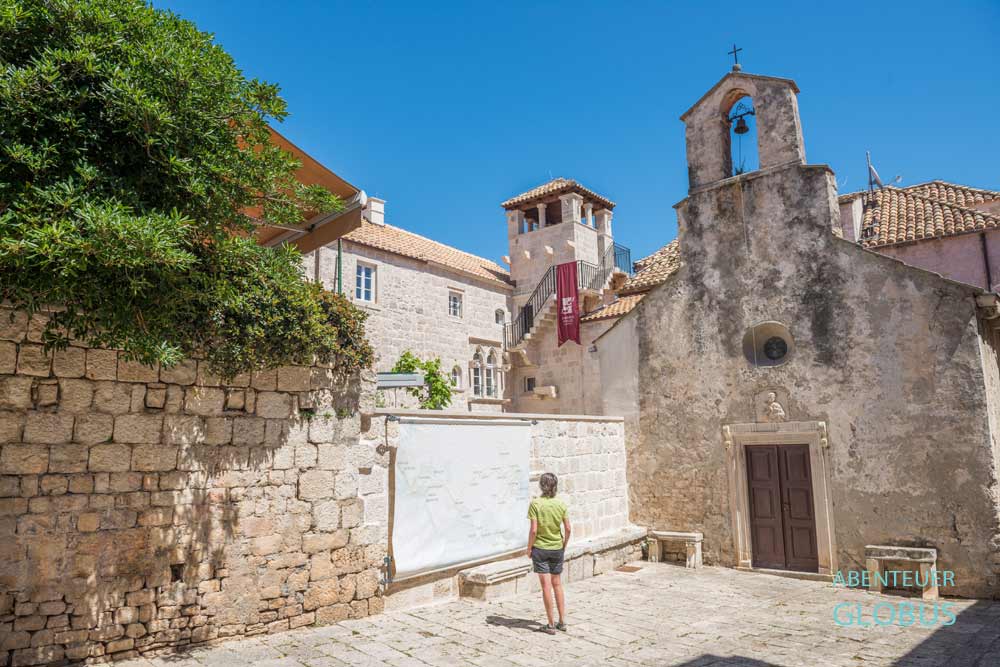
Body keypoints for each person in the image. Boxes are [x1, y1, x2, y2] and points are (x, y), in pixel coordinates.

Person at [526, 472, 571, 635]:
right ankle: (562, 621)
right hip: (557, 548)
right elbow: (568, 528)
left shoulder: (535, 504)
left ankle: (550, 624)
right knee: (557, 584)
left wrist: (529, 548)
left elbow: (533, 530)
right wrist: (563, 545)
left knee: (546, 586)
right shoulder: (561, 504)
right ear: (555, 486)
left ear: (541, 486)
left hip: (540, 549)